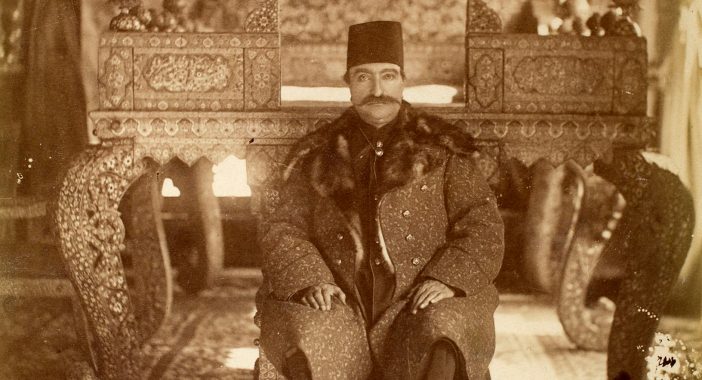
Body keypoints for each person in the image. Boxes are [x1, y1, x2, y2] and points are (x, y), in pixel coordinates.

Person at [256, 21, 504, 380]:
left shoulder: (443, 149)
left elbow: (482, 225)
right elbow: (282, 227)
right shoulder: (317, 153)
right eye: (363, 77)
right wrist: (313, 281)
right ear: (348, 85)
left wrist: (446, 280)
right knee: (307, 337)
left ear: (402, 80)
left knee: (442, 331)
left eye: (388, 76)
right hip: (340, 297)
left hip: (418, 297)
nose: (377, 90)